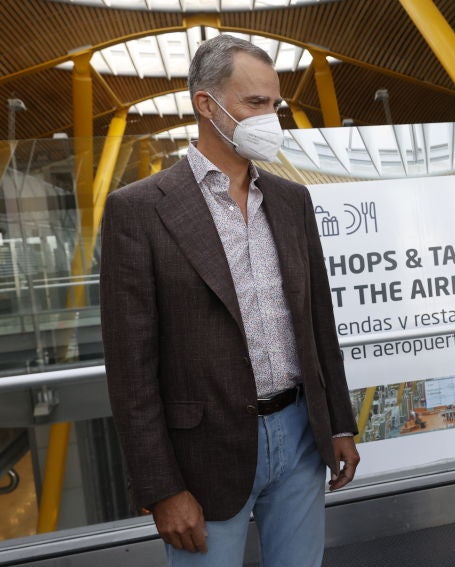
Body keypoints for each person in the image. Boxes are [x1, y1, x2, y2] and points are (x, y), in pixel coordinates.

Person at [100, 35, 360, 567]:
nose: (270, 118)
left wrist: (337, 423)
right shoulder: (141, 210)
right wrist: (161, 488)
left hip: (300, 436)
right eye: (255, 103)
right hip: (203, 453)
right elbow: (131, 370)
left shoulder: (291, 200)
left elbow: (317, 322)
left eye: (275, 105)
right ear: (205, 104)